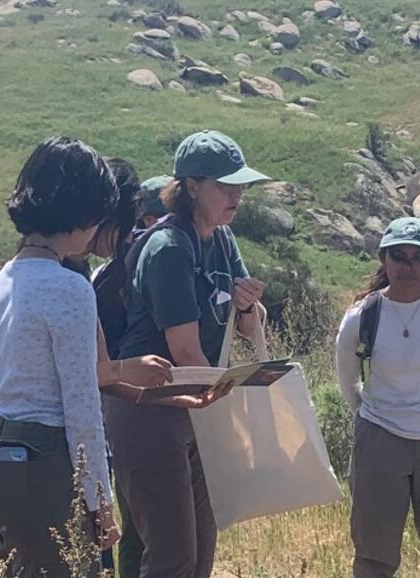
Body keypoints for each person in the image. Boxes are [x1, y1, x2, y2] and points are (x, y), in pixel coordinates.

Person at [0, 137, 170, 576]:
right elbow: (81, 404)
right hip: (51, 466)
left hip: (0, 459)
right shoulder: (69, 288)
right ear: (84, 213)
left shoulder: (5, 279)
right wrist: (100, 501)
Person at [107, 130, 272, 578]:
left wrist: (247, 307)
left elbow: (247, 325)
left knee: (198, 552)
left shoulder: (221, 238)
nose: (236, 195)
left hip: (197, 401)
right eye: (225, 185)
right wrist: (225, 409)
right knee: (170, 555)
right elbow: (183, 349)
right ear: (192, 186)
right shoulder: (169, 247)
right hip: (151, 408)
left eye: (240, 185)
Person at [336, 217, 420, 578]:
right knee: (374, 557)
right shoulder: (361, 317)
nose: (408, 267)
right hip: (380, 439)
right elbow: (348, 380)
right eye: (399, 256)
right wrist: (371, 416)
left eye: (418, 258)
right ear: (383, 258)